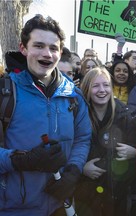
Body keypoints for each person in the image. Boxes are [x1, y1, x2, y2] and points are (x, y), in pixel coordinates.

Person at [0, 15, 91, 215]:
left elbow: (82, 138)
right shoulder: (5, 91)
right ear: (23, 48)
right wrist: (21, 160)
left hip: (59, 206)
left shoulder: (73, 94)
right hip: (12, 209)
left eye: (53, 48)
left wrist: (74, 171)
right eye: (39, 46)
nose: (47, 54)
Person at [74, 67, 136, 216]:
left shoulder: (124, 114)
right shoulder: (77, 114)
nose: (101, 90)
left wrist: (134, 151)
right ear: (87, 89)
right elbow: (70, 149)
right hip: (86, 191)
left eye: (106, 85)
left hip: (116, 191)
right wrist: (82, 168)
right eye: (95, 86)